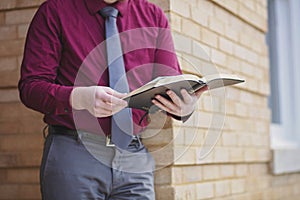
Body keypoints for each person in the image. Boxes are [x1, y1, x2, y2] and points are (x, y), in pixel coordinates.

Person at [18, 0, 206, 199]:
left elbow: (169, 82)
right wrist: (79, 98)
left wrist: (184, 106)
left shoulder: (154, 16)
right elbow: (31, 87)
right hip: (74, 153)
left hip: (134, 157)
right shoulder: (55, 10)